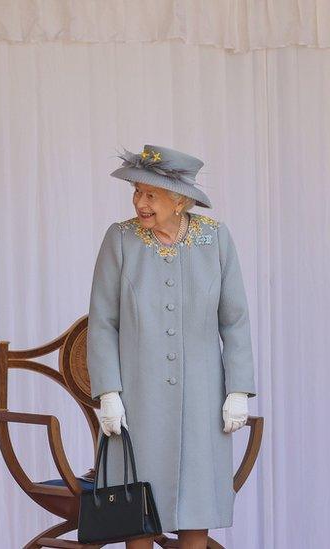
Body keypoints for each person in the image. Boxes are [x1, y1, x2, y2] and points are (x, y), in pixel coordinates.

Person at [87, 145, 256, 549]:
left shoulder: (215, 239)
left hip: (202, 400)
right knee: (137, 518)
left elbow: (234, 320)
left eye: (150, 195)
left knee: (196, 514)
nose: (139, 203)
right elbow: (103, 322)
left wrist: (238, 389)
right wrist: (108, 391)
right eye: (137, 192)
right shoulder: (120, 239)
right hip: (137, 401)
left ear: (180, 200)